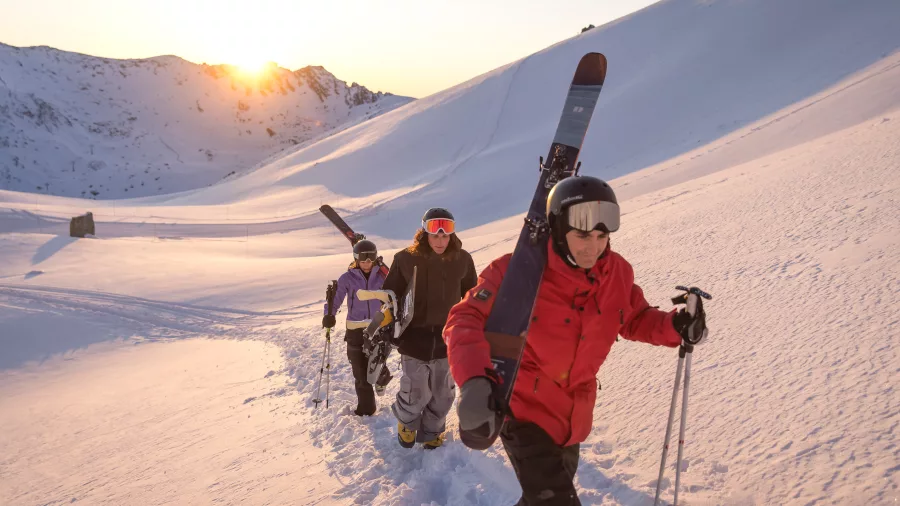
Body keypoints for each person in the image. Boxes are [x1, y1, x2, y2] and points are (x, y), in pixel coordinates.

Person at [444, 176, 709, 505]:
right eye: (582, 235)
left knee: (545, 498)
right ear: (557, 229)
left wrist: (676, 326)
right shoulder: (517, 272)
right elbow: (464, 318)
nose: (593, 246)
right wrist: (473, 381)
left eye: (601, 236)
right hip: (521, 408)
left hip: (572, 417)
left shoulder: (617, 273)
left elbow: (636, 318)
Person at [382, 207, 477, 449]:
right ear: (424, 233)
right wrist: (389, 324)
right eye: (435, 234)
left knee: (442, 394)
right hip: (414, 337)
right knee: (417, 391)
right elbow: (390, 295)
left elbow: (471, 295)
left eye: (445, 235)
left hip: (448, 338)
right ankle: (407, 421)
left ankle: (433, 430)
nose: (440, 240)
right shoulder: (405, 258)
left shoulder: (463, 259)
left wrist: (473, 326)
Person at [323, 239, 390, 416]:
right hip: (355, 329)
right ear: (356, 258)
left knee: (376, 364)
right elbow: (335, 299)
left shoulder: (383, 276)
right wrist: (329, 315)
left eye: (371, 258)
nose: (367, 262)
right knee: (360, 371)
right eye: (363, 258)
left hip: (377, 328)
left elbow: (394, 295)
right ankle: (367, 409)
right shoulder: (347, 278)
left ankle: (382, 377)